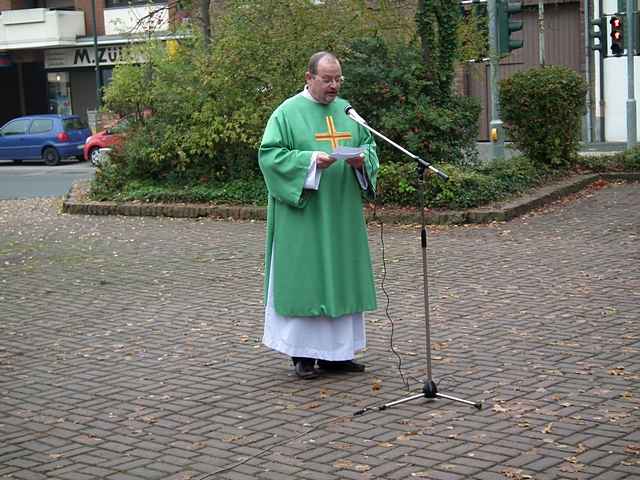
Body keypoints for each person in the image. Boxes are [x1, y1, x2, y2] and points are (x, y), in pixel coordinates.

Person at [258, 51, 379, 379]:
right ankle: (302, 355)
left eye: (338, 79)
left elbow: (369, 145)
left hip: (341, 212)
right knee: (306, 278)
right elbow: (269, 156)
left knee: (340, 276)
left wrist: (361, 161)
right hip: (305, 215)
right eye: (327, 79)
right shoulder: (287, 112)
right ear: (309, 78)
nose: (334, 86)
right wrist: (310, 161)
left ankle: (337, 355)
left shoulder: (347, 111)